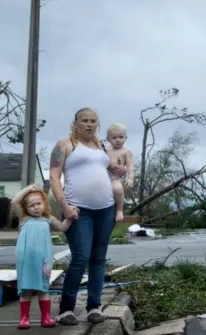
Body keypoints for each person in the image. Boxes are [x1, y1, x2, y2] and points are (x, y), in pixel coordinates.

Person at [49, 107, 127, 325]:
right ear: (76, 123)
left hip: (106, 209)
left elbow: (103, 168)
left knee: (99, 259)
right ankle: (66, 309)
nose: (89, 124)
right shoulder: (65, 145)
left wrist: (118, 170)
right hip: (78, 210)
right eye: (85, 121)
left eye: (93, 121)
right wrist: (63, 205)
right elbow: (54, 177)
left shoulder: (101, 146)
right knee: (80, 257)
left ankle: (94, 306)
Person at [12, 184, 72, 329]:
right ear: (26, 208)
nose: (36, 207)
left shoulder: (48, 219)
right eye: (31, 205)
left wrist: (70, 217)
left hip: (43, 259)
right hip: (25, 259)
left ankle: (46, 318)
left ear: (44, 203)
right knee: (25, 289)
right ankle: (24, 319)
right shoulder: (23, 219)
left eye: (38, 203)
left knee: (43, 288)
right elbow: (14, 202)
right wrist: (28, 189)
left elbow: (63, 227)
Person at [105, 123, 134, 221]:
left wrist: (130, 179)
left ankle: (119, 210)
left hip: (115, 177)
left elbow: (130, 166)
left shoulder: (126, 152)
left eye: (121, 137)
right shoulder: (105, 150)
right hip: (103, 176)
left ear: (126, 138)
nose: (118, 140)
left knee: (117, 189)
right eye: (114, 137)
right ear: (108, 139)